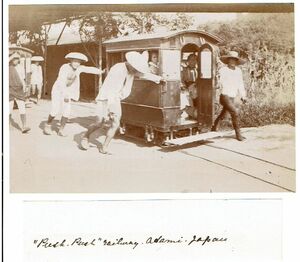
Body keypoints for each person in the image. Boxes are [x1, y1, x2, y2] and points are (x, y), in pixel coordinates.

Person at [80, 51, 163, 154]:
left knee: (115, 124)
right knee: (99, 123)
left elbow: (144, 75)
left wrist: (159, 79)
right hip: (105, 98)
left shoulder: (132, 70)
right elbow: (111, 89)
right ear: (130, 64)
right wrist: (110, 109)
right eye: (136, 68)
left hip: (115, 99)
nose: (137, 70)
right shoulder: (117, 69)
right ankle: (85, 136)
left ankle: (104, 147)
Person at [43, 52, 105, 136]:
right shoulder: (64, 67)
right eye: (75, 61)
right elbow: (62, 81)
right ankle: (48, 124)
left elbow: (89, 69)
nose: (76, 64)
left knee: (67, 110)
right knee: (55, 109)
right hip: (58, 90)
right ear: (71, 61)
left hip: (68, 91)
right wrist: (64, 94)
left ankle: (61, 130)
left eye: (79, 62)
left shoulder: (79, 68)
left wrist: (101, 71)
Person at [211, 51, 247, 141]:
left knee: (224, 114)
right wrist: (217, 82)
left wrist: (243, 96)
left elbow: (240, 84)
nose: (232, 62)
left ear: (236, 61)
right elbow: (219, 81)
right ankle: (238, 135)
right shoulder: (223, 70)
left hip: (232, 96)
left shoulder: (238, 71)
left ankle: (214, 126)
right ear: (228, 60)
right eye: (231, 59)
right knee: (234, 113)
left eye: (234, 60)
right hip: (224, 95)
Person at [9, 52, 30, 133]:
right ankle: (8, 125)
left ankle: (24, 126)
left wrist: (25, 87)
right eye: (14, 58)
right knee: (9, 109)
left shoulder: (20, 67)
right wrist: (12, 56)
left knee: (22, 107)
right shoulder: (7, 66)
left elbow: (22, 78)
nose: (16, 60)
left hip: (19, 90)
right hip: (9, 89)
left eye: (17, 59)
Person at [181, 54, 198, 119]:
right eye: (191, 60)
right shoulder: (184, 70)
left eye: (194, 60)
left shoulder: (198, 70)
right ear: (188, 61)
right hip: (187, 88)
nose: (193, 62)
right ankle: (189, 113)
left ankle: (196, 113)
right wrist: (184, 87)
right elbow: (181, 80)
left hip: (196, 89)